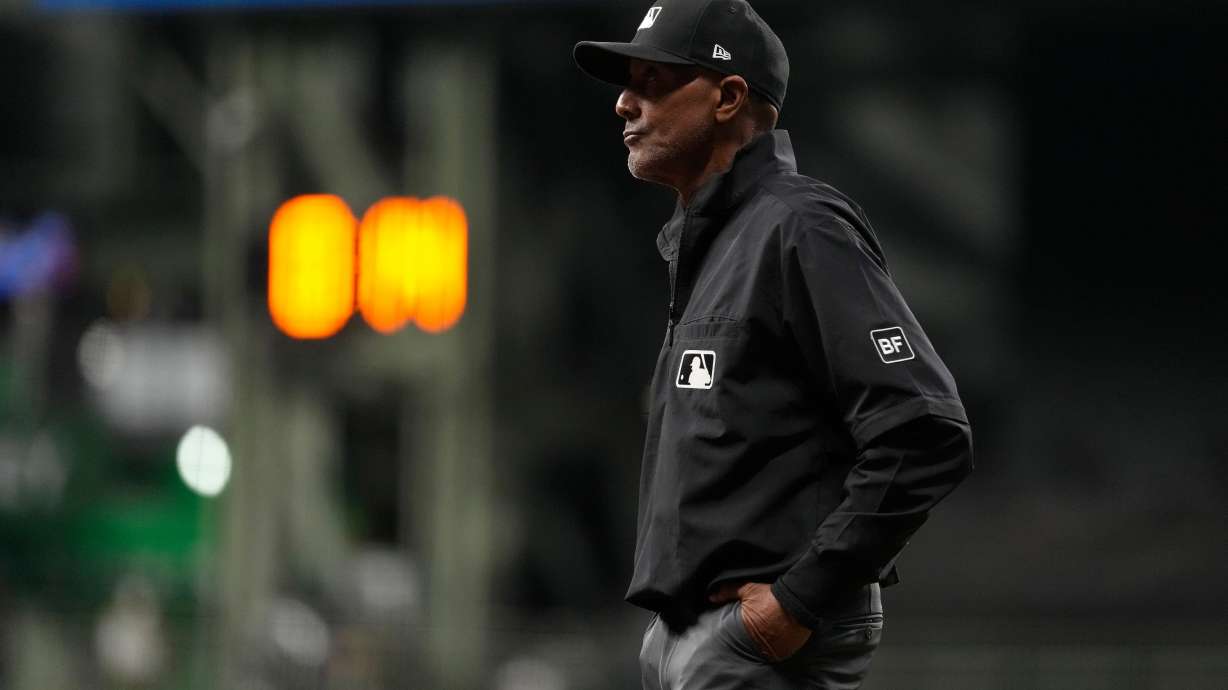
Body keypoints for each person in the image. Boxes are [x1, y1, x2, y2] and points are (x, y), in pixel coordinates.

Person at [573, 1, 974, 689]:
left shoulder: (799, 226)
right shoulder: (713, 242)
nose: (623, 104)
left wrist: (796, 603)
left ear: (728, 97)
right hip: (690, 632)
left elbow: (926, 431)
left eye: (653, 82)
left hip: (757, 637)